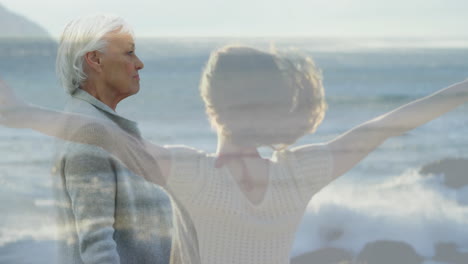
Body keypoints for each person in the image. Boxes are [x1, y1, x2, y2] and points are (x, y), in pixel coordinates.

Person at [0, 45, 467, 264]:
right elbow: (385, 126)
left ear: (211, 105)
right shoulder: (300, 174)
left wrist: (21, 114)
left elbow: (98, 133)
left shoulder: (191, 174)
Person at [9, 14, 199, 264]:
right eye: (129, 53)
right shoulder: (89, 133)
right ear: (95, 59)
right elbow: (97, 246)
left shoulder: (99, 126)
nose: (139, 63)